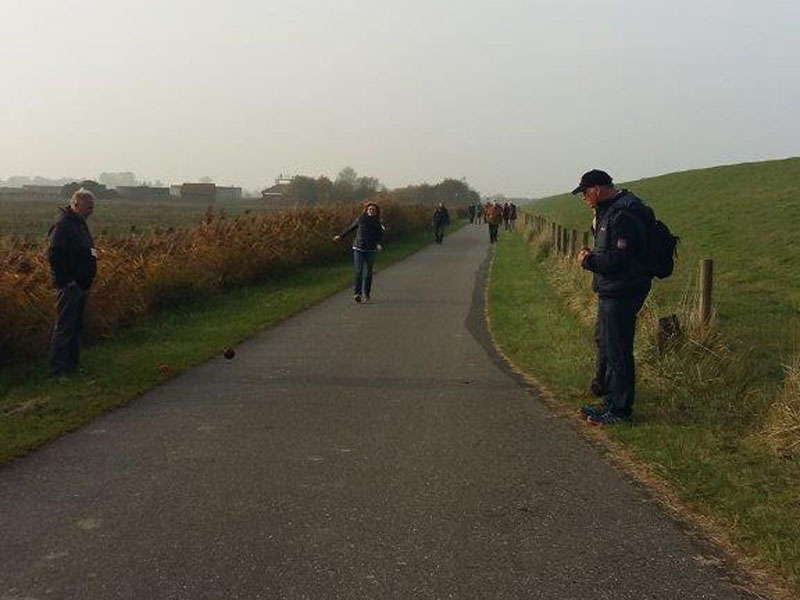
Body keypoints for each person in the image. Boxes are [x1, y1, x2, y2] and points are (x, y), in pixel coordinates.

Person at [574, 170, 652, 425]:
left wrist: (588, 261)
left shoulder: (622, 215)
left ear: (596, 189)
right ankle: (610, 402)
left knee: (619, 350)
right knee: (609, 346)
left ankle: (620, 410)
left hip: (623, 291)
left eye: (585, 192)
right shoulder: (610, 212)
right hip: (612, 289)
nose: (584, 198)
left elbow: (620, 259)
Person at [47, 188, 97, 377]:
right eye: (88, 207)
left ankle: (72, 366)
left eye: (92, 207)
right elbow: (55, 255)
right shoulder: (63, 225)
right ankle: (57, 370)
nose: (91, 211)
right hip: (70, 286)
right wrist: (67, 281)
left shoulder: (79, 224)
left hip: (81, 284)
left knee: (76, 327)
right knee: (65, 328)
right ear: (76, 204)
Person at [334, 202, 384, 303]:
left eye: (373, 210)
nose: (371, 211)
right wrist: (341, 236)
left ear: (376, 212)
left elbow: (380, 236)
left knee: (368, 272)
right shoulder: (361, 219)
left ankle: (366, 293)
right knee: (359, 271)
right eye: (369, 209)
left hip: (371, 249)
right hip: (358, 248)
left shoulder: (378, 223)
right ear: (366, 210)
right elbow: (351, 228)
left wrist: (379, 244)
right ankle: (357, 293)